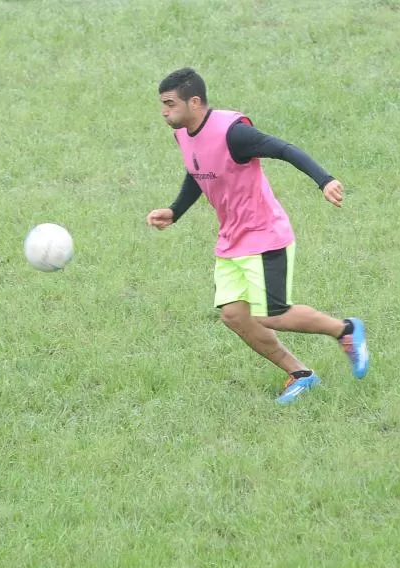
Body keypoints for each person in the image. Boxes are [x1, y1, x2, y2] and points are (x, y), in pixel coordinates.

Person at [147, 68, 370, 405]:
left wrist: (324, 180)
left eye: (170, 103)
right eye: (162, 104)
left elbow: (284, 149)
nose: (164, 111)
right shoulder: (183, 134)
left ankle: (345, 331)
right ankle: (301, 374)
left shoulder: (234, 133)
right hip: (232, 239)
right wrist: (175, 211)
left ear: (194, 102)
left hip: (264, 234)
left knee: (271, 314)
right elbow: (198, 170)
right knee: (234, 315)